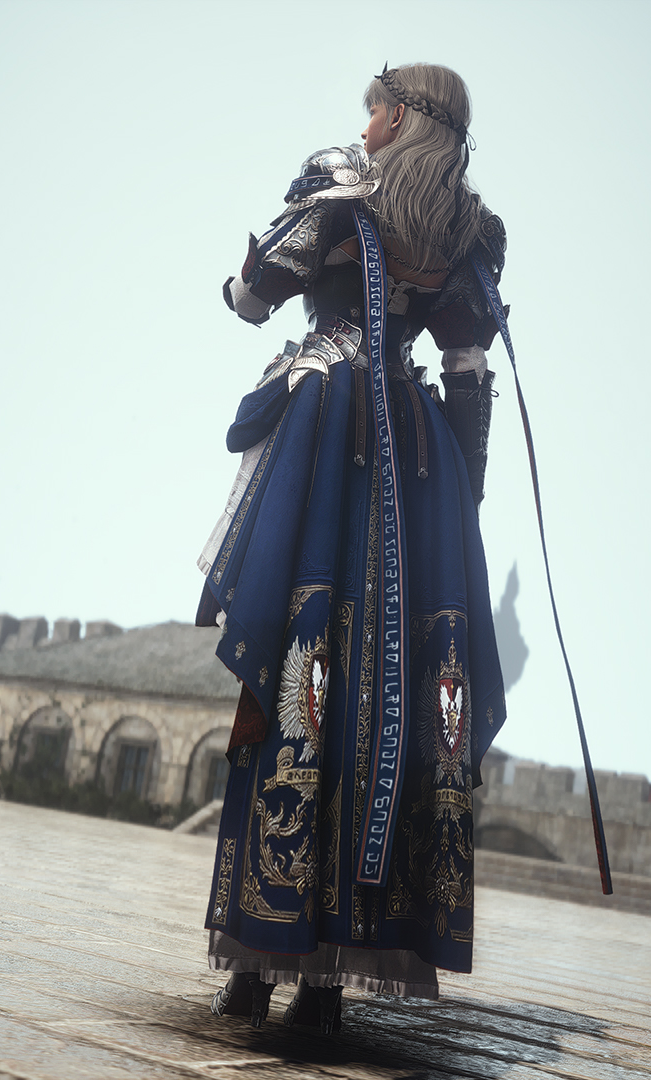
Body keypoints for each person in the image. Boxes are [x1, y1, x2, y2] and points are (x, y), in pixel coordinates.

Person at [194, 63, 509, 1034]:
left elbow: (251, 296)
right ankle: (318, 987)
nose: (366, 123)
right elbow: (467, 369)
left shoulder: (340, 193)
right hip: (416, 459)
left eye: (379, 109)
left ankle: (263, 965)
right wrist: (459, 499)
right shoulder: (467, 229)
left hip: (330, 433)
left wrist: (250, 272)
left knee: (300, 671)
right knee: (381, 698)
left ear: (404, 119)